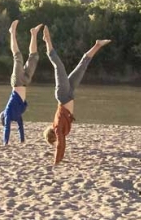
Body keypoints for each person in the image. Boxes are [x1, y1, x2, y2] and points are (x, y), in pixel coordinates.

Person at [42, 25, 110, 165]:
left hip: (62, 95)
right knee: (82, 66)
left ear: (53, 137)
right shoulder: (60, 129)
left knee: (58, 66)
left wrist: (56, 161)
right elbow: (62, 143)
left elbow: (61, 145)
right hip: (70, 94)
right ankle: (97, 45)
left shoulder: (57, 128)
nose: (56, 143)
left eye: (54, 142)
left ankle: (47, 41)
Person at [0, 20, 43, 146]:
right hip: (25, 82)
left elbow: (7, 129)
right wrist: (22, 140)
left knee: (17, 56)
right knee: (34, 57)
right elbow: (20, 127)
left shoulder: (8, 112)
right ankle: (34, 33)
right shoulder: (17, 115)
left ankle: (12, 32)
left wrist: (5, 143)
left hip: (17, 82)